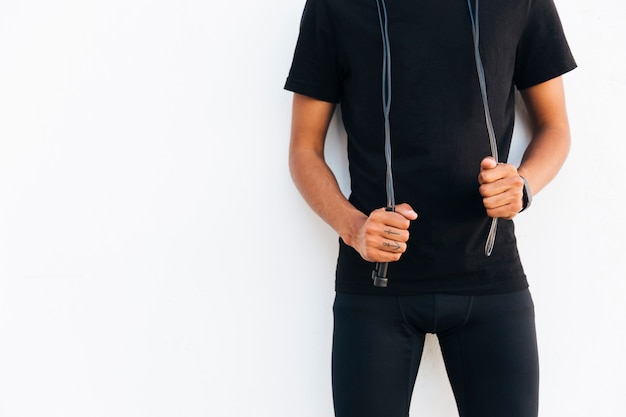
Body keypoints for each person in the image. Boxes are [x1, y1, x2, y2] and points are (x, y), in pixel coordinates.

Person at [284, 0, 576, 416]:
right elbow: (303, 149)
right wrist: (354, 228)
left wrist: (524, 184)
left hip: (491, 279)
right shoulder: (334, 6)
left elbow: (556, 127)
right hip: (376, 287)